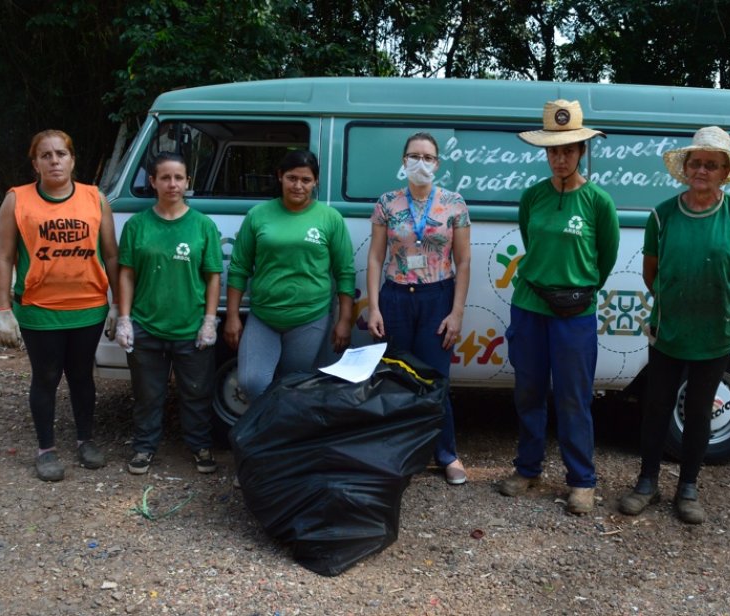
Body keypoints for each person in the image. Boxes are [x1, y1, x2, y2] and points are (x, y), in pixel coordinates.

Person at [618, 126, 730, 524]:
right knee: (656, 407)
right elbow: (653, 273)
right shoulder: (662, 214)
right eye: (696, 163)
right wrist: (675, 299)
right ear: (685, 168)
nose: (702, 170)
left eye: (712, 165)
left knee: (700, 411)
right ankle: (646, 483)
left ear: (723, 172)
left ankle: (688, 488)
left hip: (715, 333)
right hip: (669, 329)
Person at [498, 100, 620, 515]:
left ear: (582, 151)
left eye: (569, 149)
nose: (561, 157)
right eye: (553, 150)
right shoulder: (532, 197)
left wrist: (575, 291)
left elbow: (605, 258)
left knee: (574, 397)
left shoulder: (598, 202)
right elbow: (532, 247)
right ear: (545, 153)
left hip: (576, 314)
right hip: (530, 306)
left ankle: (581, 480)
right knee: (529, 391)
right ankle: (527, 468)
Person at [0, 129, 119, 482]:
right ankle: (46, 449)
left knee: (81, 376)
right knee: (46, 376)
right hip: (38, 308)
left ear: (72, 159)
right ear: (35, 163)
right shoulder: (17, 200)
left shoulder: (95, 199)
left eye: (61, 154)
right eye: (45, 155)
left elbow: (111, 254)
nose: (54, 161)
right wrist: (2, 310)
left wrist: (117, 304)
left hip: (89, 307)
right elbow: (3, 257)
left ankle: (85, 441)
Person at [366, 132, 472, 486]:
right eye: (414, 156)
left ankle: (447, 453)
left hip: (437, 297)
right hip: (395, 297)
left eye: (428, 157)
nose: (421, 163)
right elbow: (375, 257)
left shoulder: (454, 203)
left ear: (437, 163)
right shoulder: (386, 203)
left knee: (435, 378)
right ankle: (398, 454)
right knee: (396, 378)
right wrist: (375, 308)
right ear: (403, 161)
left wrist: (456, 313)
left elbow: (464, 261)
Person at [114, 152, 223, 475]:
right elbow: (126, 274)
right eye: (165, 177)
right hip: (146, 326)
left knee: (196, 393)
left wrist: (208, 320)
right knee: (148, 395)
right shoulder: (137, 225)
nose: (172, 184)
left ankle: (200, 447)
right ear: (153, 182)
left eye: (178, 177)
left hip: (190, 328)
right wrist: (123, 318)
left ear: (187, 181)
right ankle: (144, 447)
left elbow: (213, 275)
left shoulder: (203, 225)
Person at [224, 150, 354, 402]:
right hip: (263, 317)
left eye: (306, 180)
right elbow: (239, 268)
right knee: (252, 383)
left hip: (309, 319)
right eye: (292, 178)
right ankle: (267, 434)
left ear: (315, 182)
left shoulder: (330, 218)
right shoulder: (258, 215)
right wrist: (231, 316)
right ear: (280, 177)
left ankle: (278, 439)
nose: (298, 186)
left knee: (293, 385)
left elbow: (345, 272)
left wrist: (345, 320)